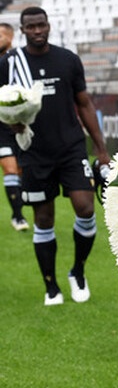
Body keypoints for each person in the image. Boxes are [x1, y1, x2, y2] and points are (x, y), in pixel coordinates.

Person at [0, 7, 109, 304]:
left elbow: (83, 103)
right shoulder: (10, 63)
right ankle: (51, 287)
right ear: (22, 30)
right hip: (33, 152)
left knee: (86, 208)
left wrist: (100, 149)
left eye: (41, 25)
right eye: (31, 27)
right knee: (44, 219)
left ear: (48, 26)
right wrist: (11, 124)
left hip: (71, 148)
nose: (37, 31)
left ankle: (78, 270)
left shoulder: (68, 60)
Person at [0, 21, 29, 231]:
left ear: (10, 37)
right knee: (9, 168)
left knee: (19, 171)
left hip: (20, 124)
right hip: (0, 127)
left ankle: (19, 208)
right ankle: (18, 216)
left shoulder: (20, 60)